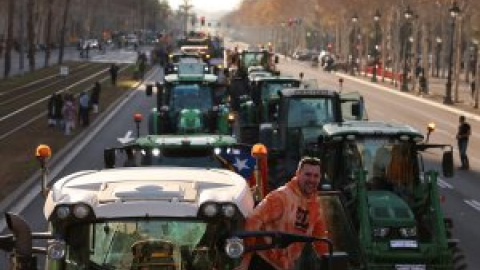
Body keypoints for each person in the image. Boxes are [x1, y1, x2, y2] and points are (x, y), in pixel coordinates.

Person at [238, 157, 328, 270]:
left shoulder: (315, 205)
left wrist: (330, 263)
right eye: (308, 174)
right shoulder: (281, 197)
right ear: (298, 174)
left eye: (316, 176)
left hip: (285, 266)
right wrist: (245, 261)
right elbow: (253, 220)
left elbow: (320, 239)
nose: (312, 179)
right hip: (263, 262)